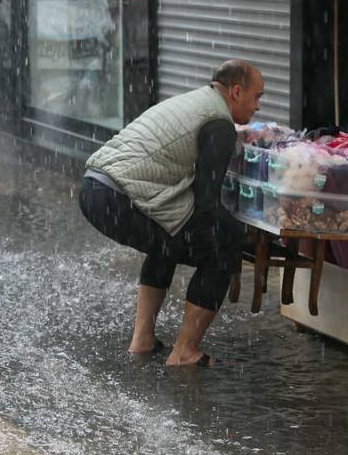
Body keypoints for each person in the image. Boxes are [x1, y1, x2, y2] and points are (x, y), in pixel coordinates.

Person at [79, 60, 264, 367]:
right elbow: (207, 201)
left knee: (168, 236)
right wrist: (238, 236)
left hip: (94, 188)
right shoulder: (219, 123)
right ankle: (185, 351)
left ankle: (143, 340)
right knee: (225, 242)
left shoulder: (193, 100)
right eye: (257, 96)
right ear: (235, 92)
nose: (258, 106)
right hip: (119, 197)